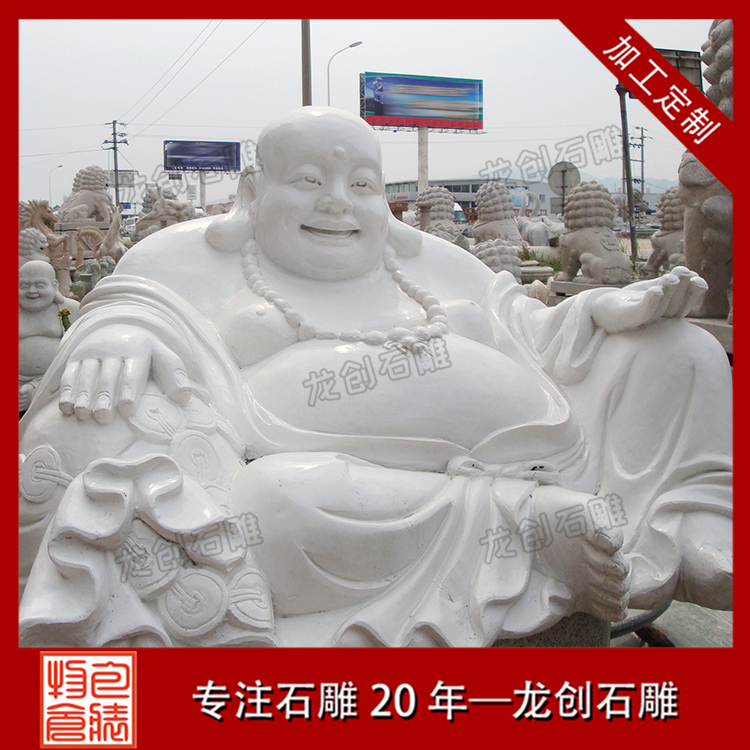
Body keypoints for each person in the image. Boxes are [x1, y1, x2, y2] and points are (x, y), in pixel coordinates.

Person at [18, 107, 732, 648]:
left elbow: (528, 327)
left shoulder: (431, 265)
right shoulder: (189, 259)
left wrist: (602, 309)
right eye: (308, 181)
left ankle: (685, 523)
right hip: (347, 494)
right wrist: (117, 332)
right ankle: (531, 527)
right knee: (277, 505)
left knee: (680, 351)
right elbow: (132, 305)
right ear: (253, 190)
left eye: (361, 185)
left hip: (554, 444)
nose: (337, 201)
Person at [18, 260, 79, 415]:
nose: (32, 291)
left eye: (40, 285)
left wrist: (38, 386)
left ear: (54, 286)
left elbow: (82, 348)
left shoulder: (70, 309)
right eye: (24, 286)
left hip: (57, 382)